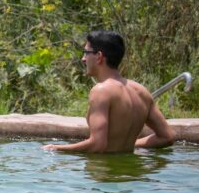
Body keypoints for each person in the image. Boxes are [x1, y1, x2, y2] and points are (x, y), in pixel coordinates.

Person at [43, 30, 174, 153]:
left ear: (99, 56)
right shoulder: (141, 91)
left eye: (86, 53)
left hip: (104, 173)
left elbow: (98, 144)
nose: (83, 59)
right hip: (133, 174)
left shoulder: (101, 91)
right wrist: (129, 145)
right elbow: (167, 137)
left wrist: (57, 149)